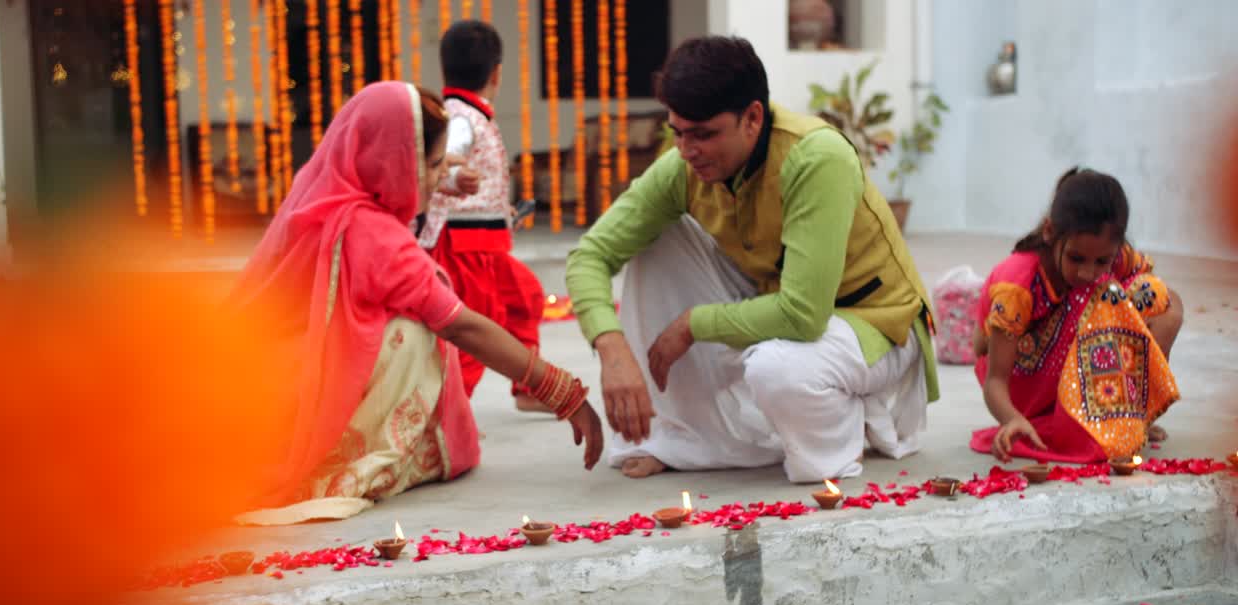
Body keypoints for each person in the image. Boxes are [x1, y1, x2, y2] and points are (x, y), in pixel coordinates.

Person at [564, 36, 939, 483]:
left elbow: (803, 316)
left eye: (704, 134)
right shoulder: (684, 166)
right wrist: (612, 349)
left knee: (776, 369)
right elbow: (590, 255)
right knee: (654, 240)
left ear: (753, 118)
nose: (686, 150)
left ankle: (839, 431)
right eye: (678, 132)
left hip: (876, 323)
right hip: (776, 300)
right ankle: (690, 436)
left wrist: (691, 324)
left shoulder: (816, 156)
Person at [229, 82, 602, 525]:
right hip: (305, 411)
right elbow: (462, 326)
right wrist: (561, 392)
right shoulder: (375, 235)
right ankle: (354, 459)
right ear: (394, 163)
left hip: (260, 397)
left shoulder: (317, 198)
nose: (439, 177)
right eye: (434, 165)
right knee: (415, 331)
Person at [971, 168, 1183, 463]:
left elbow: (1166, 304)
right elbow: (995, 380)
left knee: (1156, 297)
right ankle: (1067, 419)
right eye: (1076, 258)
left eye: (1101, 261)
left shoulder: (1115, 256)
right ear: (1049, 232)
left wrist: (1139, 399)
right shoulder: (1016, 285)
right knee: (1098, 294)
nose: (1087, 272)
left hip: (1069, 373)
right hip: (1020, 385)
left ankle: (1130, 415)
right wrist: (1012, 419)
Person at [418, 20, 547, 410]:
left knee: (525, 298)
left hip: (486, 242)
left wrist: (500, 208)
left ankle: (528, 387)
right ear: (496, 73)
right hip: (463, 245)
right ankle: (449, 414)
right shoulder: (460, 119)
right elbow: (439, 165)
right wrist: (455, 179)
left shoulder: (467, 114)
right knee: (474, 327)